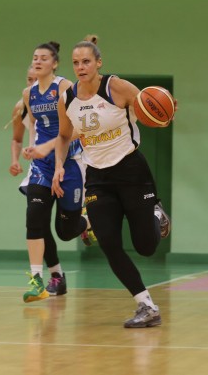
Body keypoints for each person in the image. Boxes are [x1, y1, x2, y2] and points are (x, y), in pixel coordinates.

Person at [51, 35, 172, 328]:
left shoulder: (115, 87)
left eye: (86, 61)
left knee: (145, 247)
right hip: (97, 178)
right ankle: (147, 305)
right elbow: (64, 136)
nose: (80, 67)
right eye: (76, 63)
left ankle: (156, 214)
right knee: (109, 243)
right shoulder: (67, 99)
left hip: (131, 171)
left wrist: (164, 110)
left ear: (98, 63)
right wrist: (58, 167)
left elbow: (148, 107)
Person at [19, 41, 93, 303]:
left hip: (69, 160)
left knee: (65, 231)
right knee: (35, 217)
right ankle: (37, 280)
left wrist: (56, 160)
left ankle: (87, 222)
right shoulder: (28, 94)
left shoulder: (64, 87)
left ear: (55, 63)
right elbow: (33, 126)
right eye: (35, 57)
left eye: (43, 58)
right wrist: (32, 148)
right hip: (42, 165)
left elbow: (75, 130)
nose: (38, 61)